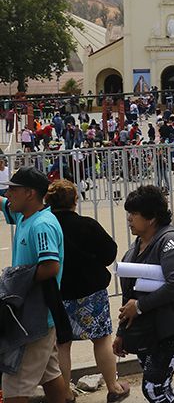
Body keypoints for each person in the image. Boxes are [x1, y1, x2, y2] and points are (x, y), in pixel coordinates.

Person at [47, 180, 130, 403]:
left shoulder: (46, 226)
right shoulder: (86, 224)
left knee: (62, 344)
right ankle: (113, 387)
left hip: (59, 292)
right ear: (75, 200)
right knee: (101, 338)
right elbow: (109, 252)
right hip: (90, 291)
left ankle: (65, 394)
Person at [113, 185, 174, 403]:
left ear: (151, 218)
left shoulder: (170, 241)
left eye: (134, 214)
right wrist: (121, 333)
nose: (129, 219)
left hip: (168, 329)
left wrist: (139, 307)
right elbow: (129, 294)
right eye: (128, 214)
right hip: (146, 330)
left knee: (154, 389)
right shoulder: (136, 246)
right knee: (159, 389)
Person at [0, 167, 70, 403]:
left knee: (15, 384)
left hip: (33, 317)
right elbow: (2, 203)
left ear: (29, 193)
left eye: (12, 190)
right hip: (38, 315)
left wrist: (17, 281)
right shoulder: (23, 216)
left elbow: (50, 266)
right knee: (50, 375)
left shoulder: (42, 225)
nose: (8, 194)